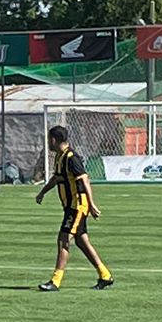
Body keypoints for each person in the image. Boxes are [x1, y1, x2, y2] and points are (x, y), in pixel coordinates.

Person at [33, 125, 110, 292]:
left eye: (49, 140)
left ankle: (55, 281)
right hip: (70, 206)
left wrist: (91, 204)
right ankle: (105, 275)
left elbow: (84, 180)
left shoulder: (71, 157)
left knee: (63, 239)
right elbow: (57, 178)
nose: (48, 143)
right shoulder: (60, 157)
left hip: (77, 206)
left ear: (54, 139)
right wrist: (42, 192)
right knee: (82, 242)